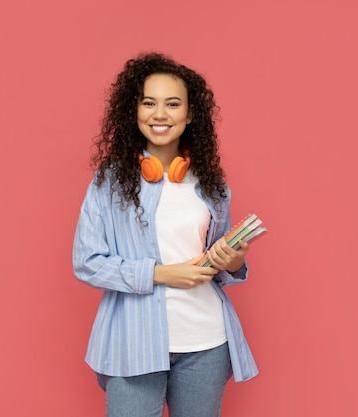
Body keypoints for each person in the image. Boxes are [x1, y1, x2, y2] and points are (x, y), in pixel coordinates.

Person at [72, 51, 258, 417]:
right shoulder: (108, 183)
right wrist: (162, 274)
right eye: (149, 103)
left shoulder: (212, 186)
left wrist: (233, 260)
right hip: (132, 342)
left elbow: (216, 261)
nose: (160, 114)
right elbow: (88, 262)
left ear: (189, 115)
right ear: (134, 111)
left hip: (206, 341)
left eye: (173, 104)